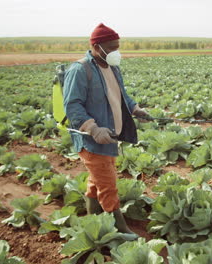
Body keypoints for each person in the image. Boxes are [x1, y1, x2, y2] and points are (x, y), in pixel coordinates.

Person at [63, 23, 150, 236]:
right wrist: (93, 129)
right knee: (108, 184)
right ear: (97, 46)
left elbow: (121, 96)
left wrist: (136, 109)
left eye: (117, 47)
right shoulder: (80, 69)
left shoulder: (113, 67)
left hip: (111, 138)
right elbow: (72, 106)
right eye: (111, 48)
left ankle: (93, 218)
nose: (115, 52)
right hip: (93, 140)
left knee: (97, 180)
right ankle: (119, 227)